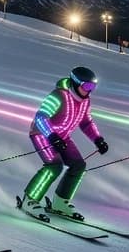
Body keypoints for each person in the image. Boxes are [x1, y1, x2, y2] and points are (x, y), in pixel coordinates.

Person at [20, 66, 109, 219]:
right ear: (75, 82)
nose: (89, 90)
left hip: (63, 137)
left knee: (78, 165)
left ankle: (60, 202)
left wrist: (98, 139)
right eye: (87, 86)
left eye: (93, 87)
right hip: (42, 134)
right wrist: (52, 136)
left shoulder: (85, 101)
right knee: (54, 166)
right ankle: (29, 200)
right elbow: (41, 117)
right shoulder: (58, 96)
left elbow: (86, 123)